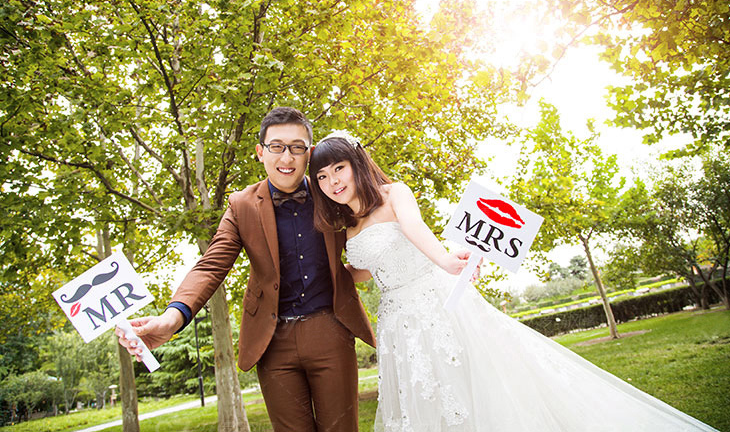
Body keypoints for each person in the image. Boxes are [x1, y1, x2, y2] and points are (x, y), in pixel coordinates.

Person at [309, 134, 719, 432]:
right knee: (422, 396)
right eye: (323, 176)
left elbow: (417, 232)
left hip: (434, 301)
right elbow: (365, 271)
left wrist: (449, 261)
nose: (333, 181)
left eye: (339, 168)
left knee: (473, 383)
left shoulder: (393, 194)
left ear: (357, 162)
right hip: (396, 320)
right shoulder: (347, 227)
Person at [116, 108, 375, 432]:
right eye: (276, 146)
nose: (287, 157)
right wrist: (172, 318)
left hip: (331, 330)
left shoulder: (332, 192)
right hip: (273, 341)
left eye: (297, 147)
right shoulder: (241, 205)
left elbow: (375, 224)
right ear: (260, 152)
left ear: (309, 153)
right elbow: (211, 264)